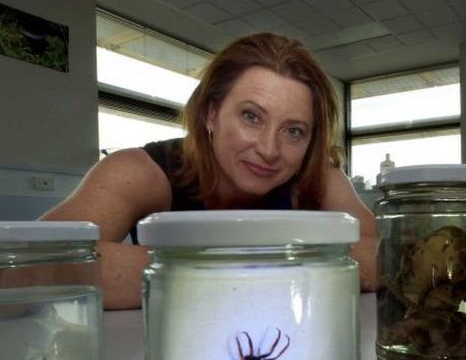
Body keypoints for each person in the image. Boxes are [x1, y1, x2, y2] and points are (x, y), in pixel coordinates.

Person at [42, 32, 377, 309]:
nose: (269, 149)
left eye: (293, 131)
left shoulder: (318, 176)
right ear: (211, 114)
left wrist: (193, 273)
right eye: (251, 116)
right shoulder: (141, 171)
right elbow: (30, 266)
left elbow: (388, 256)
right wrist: (280, 268)